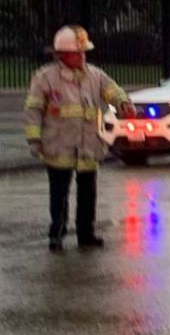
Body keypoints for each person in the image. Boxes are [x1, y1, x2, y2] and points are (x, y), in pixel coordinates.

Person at [24, 26, 135, 251]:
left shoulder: (94, 75)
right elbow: (33, 110)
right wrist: (34, 141)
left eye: (84, 52)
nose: (82, 56)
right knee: (59, 193)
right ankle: (56, 234)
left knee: (88, 192)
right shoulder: (45, 78)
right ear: (62, 55)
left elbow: (112, 90)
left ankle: (86, 233)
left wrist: (123, 103)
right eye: (78, 52)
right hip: (59, 145)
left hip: (88, 147)